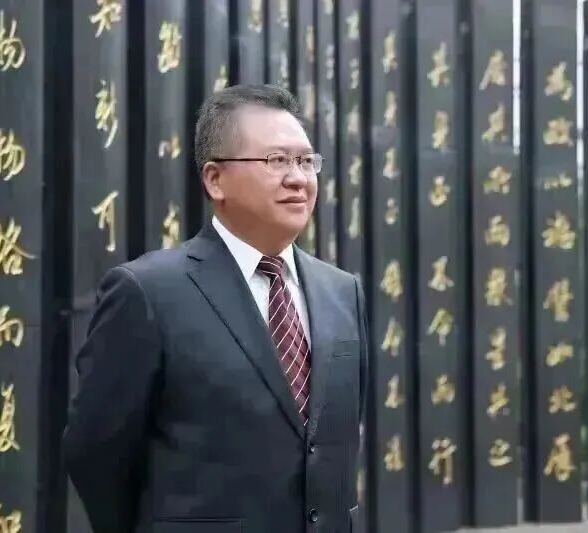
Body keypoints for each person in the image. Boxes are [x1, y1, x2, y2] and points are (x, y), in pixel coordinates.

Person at [63, 84, 368, 533]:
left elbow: (333, 443)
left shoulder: (342, 291)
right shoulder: (149, 293)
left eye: (306, 161)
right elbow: (95, 449)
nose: (299, 178)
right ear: (215, 179)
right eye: (276, 160)